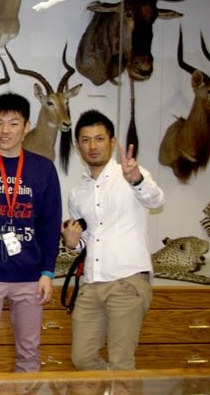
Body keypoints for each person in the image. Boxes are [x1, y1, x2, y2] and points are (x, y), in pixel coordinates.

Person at [0, 92, 61, 373]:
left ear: (27, 127)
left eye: (14, 123)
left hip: (30, 275)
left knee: (29, 354)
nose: (5, 130)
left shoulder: (43, 169)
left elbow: (50, 224)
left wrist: (48, 272)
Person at [61, 109, 165, 371]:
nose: (92, 146)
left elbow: (156, 199)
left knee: (121, 363)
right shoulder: (77, 193)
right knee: (82, 359)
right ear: (77, 146)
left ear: (111, 141)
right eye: (85, 140)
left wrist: (137, 180)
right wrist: (73, 242)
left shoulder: (129, 175)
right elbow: (86, 238)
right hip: (91, 284)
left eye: (99, 138)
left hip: (127, 281)